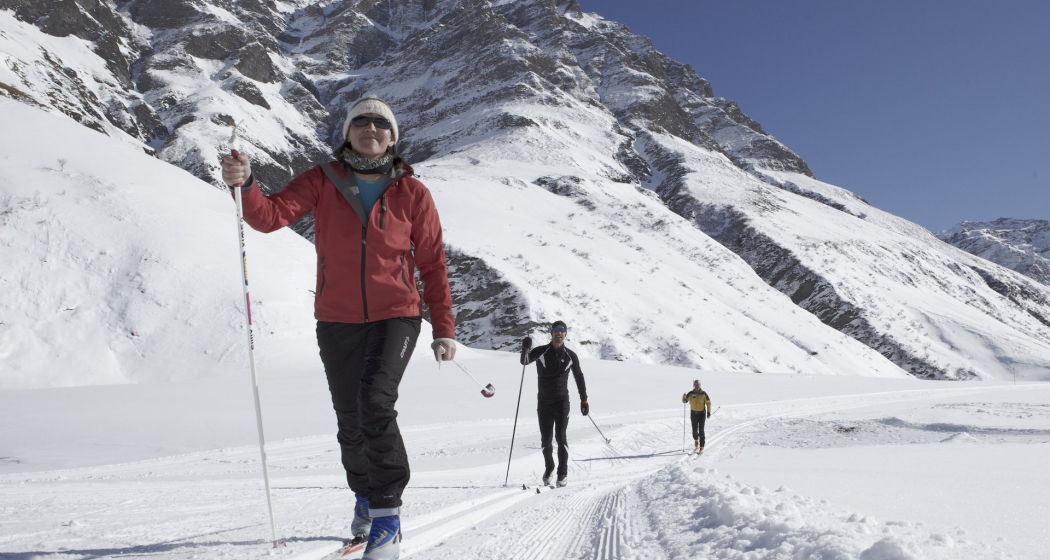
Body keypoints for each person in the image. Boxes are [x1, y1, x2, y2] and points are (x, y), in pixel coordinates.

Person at [221, 95, 455, 560]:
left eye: (381, 124)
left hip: (397, 315)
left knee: (374, 402)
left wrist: (443, 327)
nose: (371, 129)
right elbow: (269, 217)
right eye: (361, 122)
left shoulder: (413, 193)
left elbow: (432, 263)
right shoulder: (322, 180)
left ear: (393, 135)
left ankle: (387, 518)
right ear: (348, 132)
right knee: (350, 419)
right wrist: (245, 183)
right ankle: (364, 498)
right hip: (336, 318)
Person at [519, 320, 588, 487]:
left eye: (562, 330)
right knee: (546, 439)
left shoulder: (571, 356)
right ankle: (549, 467)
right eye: (556, 330)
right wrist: (525, 348)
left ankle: (562, 473)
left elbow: (578, 376)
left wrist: (584, 399)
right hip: (544, 402)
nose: (559, 333)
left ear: (565, 334)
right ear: (551, 333)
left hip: (562, 402)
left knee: (561, 436)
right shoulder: (542, 351)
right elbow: (525, 361)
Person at [682, 380, 712, 453]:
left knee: (701, 431)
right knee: (694, 430)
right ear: (693, 385)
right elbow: (685, 401)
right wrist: (684, 398)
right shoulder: (691, 393)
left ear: (700, 385)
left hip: (701, 414)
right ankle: (696, 440)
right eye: (695, 384)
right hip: (693, 414)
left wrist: (708, 412)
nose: (696, 386)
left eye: (698, 384)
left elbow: (708, 403)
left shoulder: (704, 394)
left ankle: (702, 447)